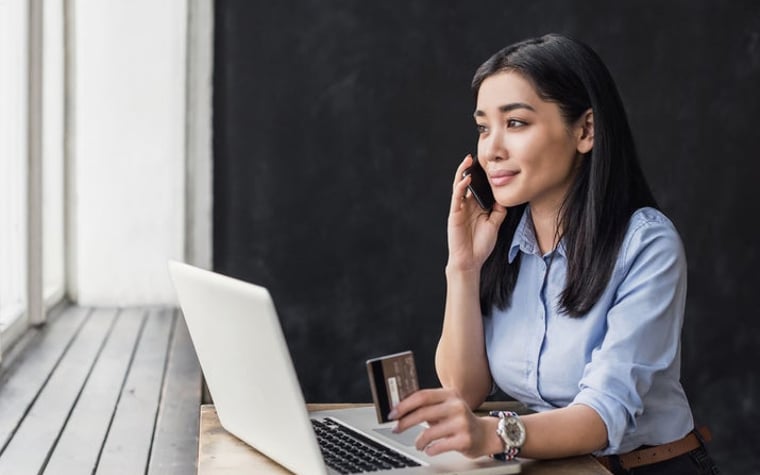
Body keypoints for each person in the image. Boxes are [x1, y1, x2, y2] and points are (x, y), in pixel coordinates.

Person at [389, 34, 721, 474]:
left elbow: (603, 415)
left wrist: (493, 434)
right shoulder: (504, 240)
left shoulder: (646, 244)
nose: (491, 149)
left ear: (585, 131)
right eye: (484, 127)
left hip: (643, 468)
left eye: (517, 123)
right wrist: (464, 268)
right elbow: (464, 391)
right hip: (552, 466)